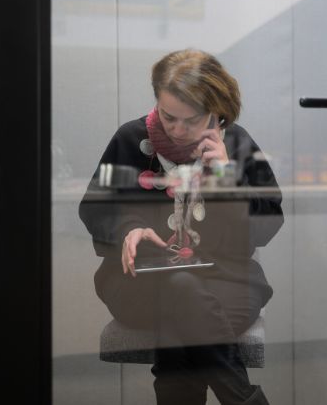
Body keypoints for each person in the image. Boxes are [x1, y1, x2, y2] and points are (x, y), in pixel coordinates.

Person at [79, 49, 283, 405]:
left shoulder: (237, 144)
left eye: (191, 120)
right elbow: (95, 207)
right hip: (139, 281)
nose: (176, 130)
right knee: (181, 290)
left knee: (180, 316)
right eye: (168, 116)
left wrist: (225, 176)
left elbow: (268, 221)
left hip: (225, 280)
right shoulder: (130, 138)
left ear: (218, 114)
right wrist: (130, 228)